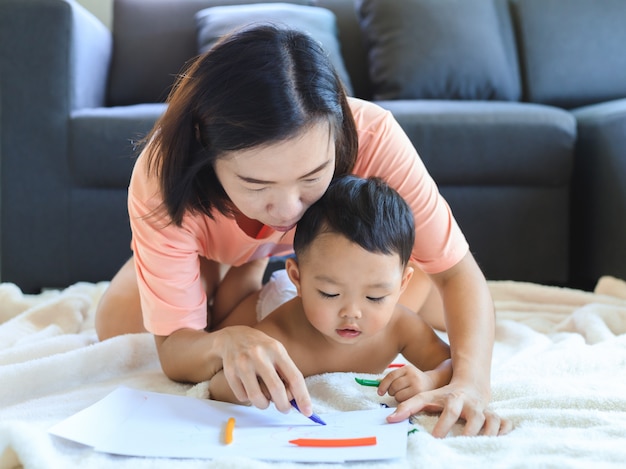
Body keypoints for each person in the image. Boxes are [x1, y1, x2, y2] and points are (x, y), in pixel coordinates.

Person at [95, 24, 496, 438]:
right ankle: (239, 265)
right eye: (256, 183)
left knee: (394, 298)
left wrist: (470, 383)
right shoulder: (164, 177)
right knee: (120, 326)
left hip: (343, 255)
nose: (287, 210)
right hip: (213, 250)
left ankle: (263, 257)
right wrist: (224, 342)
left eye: (312, 177)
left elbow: (456, 273)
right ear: (205, 148)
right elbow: (175, 351)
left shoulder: (373, 136)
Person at [209, 175, 509, 436]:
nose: (352, 312)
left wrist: (429, 379)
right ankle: (255, 256)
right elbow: (220, 383)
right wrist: (258, 385)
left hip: (348, 282)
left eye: (375, 297)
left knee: (431, 287)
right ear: (297, 278)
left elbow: (453, 364)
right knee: (222, 320)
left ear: (400, 285)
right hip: (274, 299)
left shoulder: (399, 325)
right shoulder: (279, 335)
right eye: (330, 293)